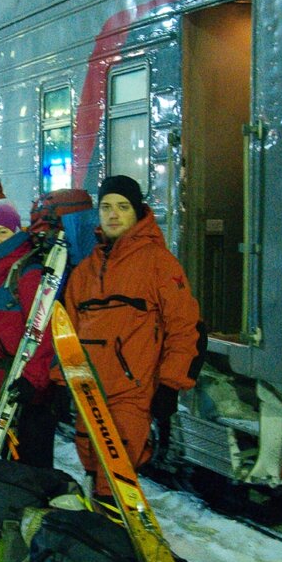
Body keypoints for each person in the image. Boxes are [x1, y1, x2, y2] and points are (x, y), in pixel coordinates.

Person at [62, 175, 201, 497]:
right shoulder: (85, 271)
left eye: (122, 207)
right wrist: (60, 382)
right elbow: (67, 332)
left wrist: (170, 384)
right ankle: (102, 534)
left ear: (137, 212)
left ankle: (114, 534)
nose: (113, 214)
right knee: (91, 463)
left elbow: (184, 326)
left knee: (116, 475)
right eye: (106, 207)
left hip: (131, 391)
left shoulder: (158, 263)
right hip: (88, 391)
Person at [0, 198, 58, 469]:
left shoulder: (28, 276)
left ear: (17, 232)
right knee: (2, 466)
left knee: (29, 468)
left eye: (1, 232)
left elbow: (45, 333)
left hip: (26, 395)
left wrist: (32, 381)